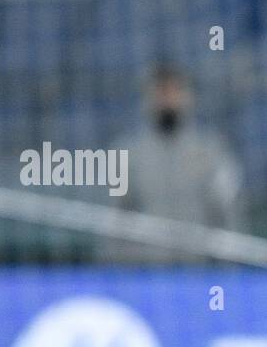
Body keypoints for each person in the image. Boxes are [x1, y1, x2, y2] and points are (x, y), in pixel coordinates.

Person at [103, 66, 245, 263]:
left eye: (174, 92)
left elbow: (227, 214)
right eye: (161, 93)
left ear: (189, 97)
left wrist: (228, 269)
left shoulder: (212, 151)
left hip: (199, 272)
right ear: (148, 99)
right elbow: (115, 221)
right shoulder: (127, 153)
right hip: (145, 274)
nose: (167, 101)